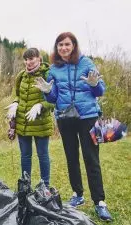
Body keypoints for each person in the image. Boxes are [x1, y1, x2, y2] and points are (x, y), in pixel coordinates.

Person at [34, 32, 112, 221]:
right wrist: (47, 92)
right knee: (71, 157)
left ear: (74, 45)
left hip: (88, 117)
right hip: (65, 117)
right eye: (60, 45)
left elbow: (100, 91)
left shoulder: (86, 63)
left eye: (67, 44)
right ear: (56, 48)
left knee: (91, 158)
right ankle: (78, 194)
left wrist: (95, 85)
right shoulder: (54, 68)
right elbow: (53, 98)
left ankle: (100, 202)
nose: (63, 48)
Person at [5, 48, 54, 187]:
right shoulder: (21, 76)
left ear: (39, 59)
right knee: (25, 156)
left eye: (31, 59)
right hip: (23, 122)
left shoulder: (48, 74)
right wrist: (15, 103)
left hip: (41, 123)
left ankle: (45, 186)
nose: (28, 62)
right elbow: (18, 95)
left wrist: (40, 106)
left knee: (42, 155)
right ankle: (25, 186)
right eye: (26, 59)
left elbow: (54, 100)